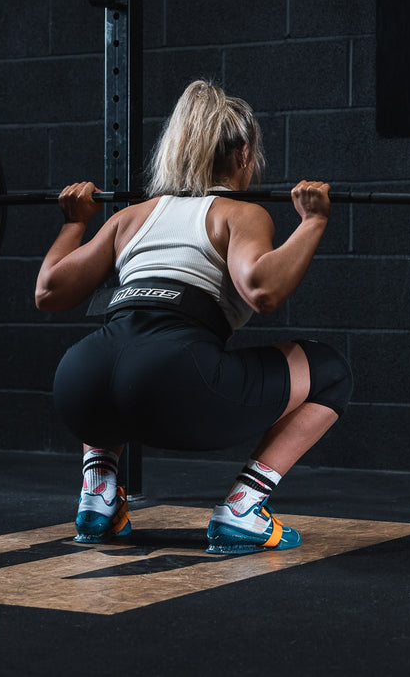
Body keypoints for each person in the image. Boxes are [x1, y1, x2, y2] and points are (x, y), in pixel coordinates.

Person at [35, 80, 353, 555]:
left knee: (114, 367)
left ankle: (98, 499)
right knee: (329, 372)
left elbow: (49, 291)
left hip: (80, 384)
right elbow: (263, 291)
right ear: (243, 154)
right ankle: (243, 508)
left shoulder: (132, 215)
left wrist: (74, 223)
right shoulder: (239, 214)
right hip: (173, 382)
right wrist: (313, 222)